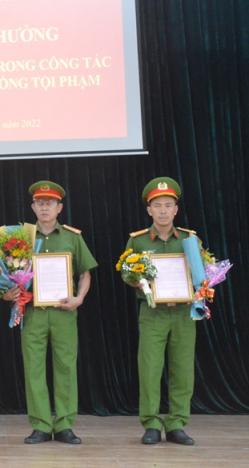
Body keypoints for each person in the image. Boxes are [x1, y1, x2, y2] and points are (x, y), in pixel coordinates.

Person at [3, 181, 97, 445]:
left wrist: (79, 298)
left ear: (60, 207)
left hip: (64, 312)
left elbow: (85, 273)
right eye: (40, 203)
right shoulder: (19, 238)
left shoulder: (72, 237)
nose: (45, 207)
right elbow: (10, 277)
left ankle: (65, 424)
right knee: (33, 368)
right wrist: (7, 293)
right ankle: (41, 425)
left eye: (50, 203)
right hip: (32, 311)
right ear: (33, 207)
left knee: (66, 367)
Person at [123, 177, 197, 446]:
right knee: (150, 369)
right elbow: (126, 272)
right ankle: (152, 424)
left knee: (182, 369)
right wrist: (136, 279)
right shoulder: (139, 241)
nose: (163, 210)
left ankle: (177, 423)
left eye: (168, 205)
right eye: (158, 205)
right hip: (152, 313)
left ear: (176, 209)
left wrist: (204, 285)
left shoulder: (189, 240)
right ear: (149, 210)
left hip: (184, 313)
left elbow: (202, 276)